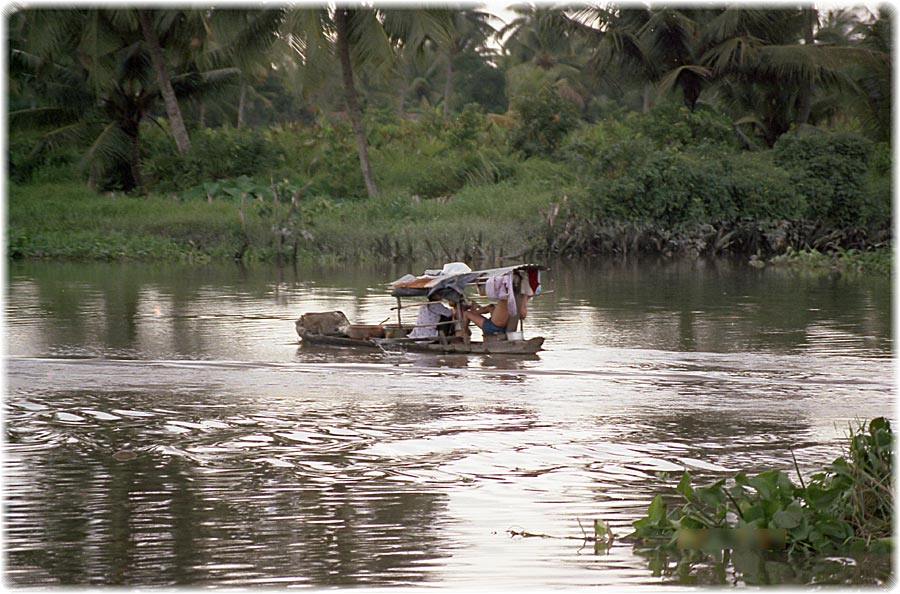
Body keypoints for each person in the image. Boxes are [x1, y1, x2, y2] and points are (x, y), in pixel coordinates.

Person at [462, 273, 529, 336]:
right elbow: (522, 316)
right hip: (502, 325)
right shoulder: (516, 299)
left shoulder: (504, 297)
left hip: (493, 328)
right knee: (491, 306)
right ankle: (474, 312)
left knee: (466, 313)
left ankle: (463, 334)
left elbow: (522, 315)